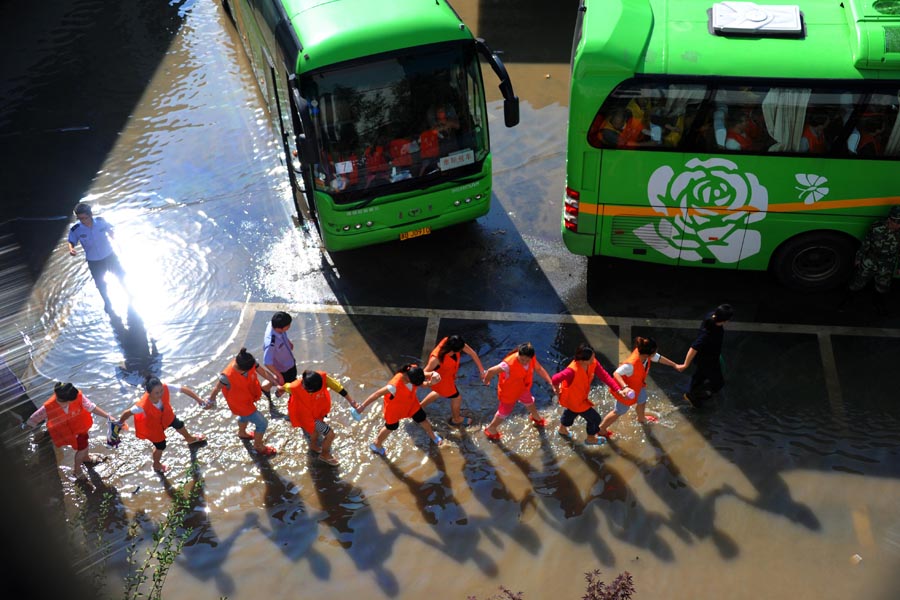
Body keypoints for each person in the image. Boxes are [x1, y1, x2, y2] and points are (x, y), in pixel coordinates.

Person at [23, 382, 114, 481]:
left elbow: (91, 407)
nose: (75, 400)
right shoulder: (48, 407)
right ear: (65, 400)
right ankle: (77, 470)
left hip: (80, 428)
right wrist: (27, 427)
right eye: (72, 400)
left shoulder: (77, 396)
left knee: (84, 444)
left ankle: (86, 458)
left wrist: (108, 416)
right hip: (67, 432)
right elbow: (34, 418)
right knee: (82, 448)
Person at [116, 376, 207, 474]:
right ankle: (156, 464)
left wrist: (199, 400)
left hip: (167, 416)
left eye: (161, 391)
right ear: (149, 392)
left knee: (179, 424)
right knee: (161, 446)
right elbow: (127, 413)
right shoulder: (142, 406)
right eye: (157, 393)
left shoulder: (165, 387)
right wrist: (120, 423)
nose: (160, 394)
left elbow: (183, 389)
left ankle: (190, 439)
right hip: (154, 427)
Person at [597, 337, 680, 435]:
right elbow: (616, 373)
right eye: (655, 352)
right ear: (648, 354)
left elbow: (659, 358)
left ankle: (641, 418)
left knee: (642, 400)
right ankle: (601, 429)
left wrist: (674, 365)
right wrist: (625, 387)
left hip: (638, 386)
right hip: (626, 392)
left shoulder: (645, 355)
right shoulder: (631, 365)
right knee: (619, 411)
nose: (656, 353)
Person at [207, 348, 281, 456]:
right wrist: (211, 400)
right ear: (243, 370)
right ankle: (258, 446)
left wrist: (274, 382)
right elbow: (217, 388)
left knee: (243, 416)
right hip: (239, 403)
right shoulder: (226, 376)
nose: (254, 367)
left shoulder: (248, 361)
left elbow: (263, 372)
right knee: (262, 423)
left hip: (248, 396)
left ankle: (242, 433)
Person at [357, 363, 444, 456]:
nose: (419, 385)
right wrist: (362, 406)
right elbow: (377, 394)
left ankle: (433, 436)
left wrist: (432, 375)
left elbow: (423, 376)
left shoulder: (412, 370)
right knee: (391, 427)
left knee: (422, 418)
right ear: (408, 378)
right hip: (395, 409)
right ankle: (376, 444)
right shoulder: (393, 386)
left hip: (411, 403)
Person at [280, 369, 359, 467]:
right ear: (304, 386)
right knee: (330, 435)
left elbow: (338, 387)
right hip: (307, 417)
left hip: (318, 412)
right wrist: (279, 391)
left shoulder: (323, 378)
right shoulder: (294, 387)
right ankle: (324, 455)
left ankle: (313, 445)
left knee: (314, 431)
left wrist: (351, 401)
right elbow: (284, 387)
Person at [551, 343, 626, 445]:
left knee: (570, 413)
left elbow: (605, 376)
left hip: (577, 398)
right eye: (591, 359)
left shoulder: (592, 362)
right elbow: (555, 378)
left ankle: (562, 430)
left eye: (593, 356)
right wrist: (556, 390)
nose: (593, 360)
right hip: (576, 401)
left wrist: (618, 389)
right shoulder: (571, 371)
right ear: (581, 360)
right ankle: (591, 439)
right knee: (595, 419)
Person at [481, 342, 554, 441]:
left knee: (529, 401)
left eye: (527, 360)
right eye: (522, 359)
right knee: (504, 411)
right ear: (518, 354)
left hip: (523, 388)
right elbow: (491, 371)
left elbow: (539, 369)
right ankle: (491, 428)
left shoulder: (531, 358)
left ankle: (536, 418)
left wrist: (550, 382)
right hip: (509, 392)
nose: (524, 362)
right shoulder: (507, 364)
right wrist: (486, 380)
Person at [66, 202, 127, 316]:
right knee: (100, 283)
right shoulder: (76, 229)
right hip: (94, 261)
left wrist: (118, 243)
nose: (83, 221)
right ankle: (107, 302)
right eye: (80, 219)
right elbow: (71, 241)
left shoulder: (101, 222)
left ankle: (128, 293)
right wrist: (71, 249)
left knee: (121, 275)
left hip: (109, 255)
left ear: (91, 215)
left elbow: (110, 230)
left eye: (85, 218)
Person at [420, 334, 485, 428]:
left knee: (437, 392)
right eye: (461, 350)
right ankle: (456, 419)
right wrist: (431, 375)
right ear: (454, 350)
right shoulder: (436, 359)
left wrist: (481, 370)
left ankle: (419, 407)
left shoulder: (453, 342)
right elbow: (423, 373)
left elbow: (472, 353)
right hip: (442, 382)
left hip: (448, 378)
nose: (463, 350)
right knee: (457, 398)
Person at [846, 206, 900, 314]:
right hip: (871, 259)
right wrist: (859, 257)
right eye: (897, 222)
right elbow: (866, 243)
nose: (899, 225)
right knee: (858, 281)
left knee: (883, 285)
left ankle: (879, 304)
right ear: (890, 219)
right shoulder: (876, 227)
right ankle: (848, 301)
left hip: (887, 262)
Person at [677, 304, 734, 406]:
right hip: (709, 361)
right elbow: (694, 347)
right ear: (725, 320)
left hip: (703, 358)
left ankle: (692, 393)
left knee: (699, 377)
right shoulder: (709, 333)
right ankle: (695, 396)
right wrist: (685, 364)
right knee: (718, 383)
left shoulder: (710, 316)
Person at [261, 311, 297, 398]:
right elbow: (267, 362)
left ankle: (265, 388)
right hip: (284, 368)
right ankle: (280, 394)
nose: (289, 327)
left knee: (288, 381)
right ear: (279, 328)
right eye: (287, 326)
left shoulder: (274, 325)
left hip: (289, 361)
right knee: (290, 385)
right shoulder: (271, 342)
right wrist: (279, 375)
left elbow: (283, 334)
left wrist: (288, 342)